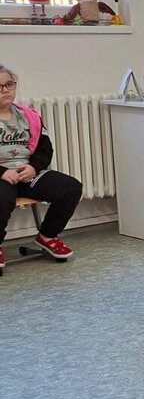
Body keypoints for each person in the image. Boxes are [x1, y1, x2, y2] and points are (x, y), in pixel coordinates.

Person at [0, 64, 83, 269]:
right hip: (2, 175)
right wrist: (2, 172)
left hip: (26, 172)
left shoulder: (29, 116)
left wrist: (33, 168)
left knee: (70, 187)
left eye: (9, 84)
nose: (5, 90)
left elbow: (45, 149)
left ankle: (47, 236)